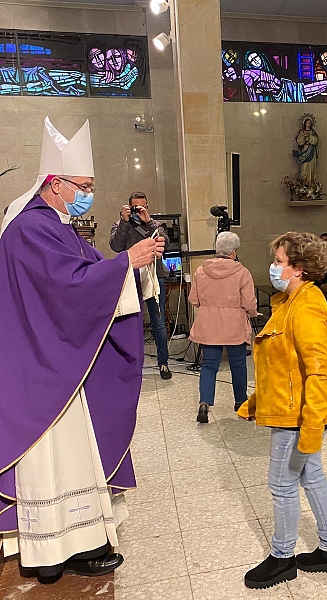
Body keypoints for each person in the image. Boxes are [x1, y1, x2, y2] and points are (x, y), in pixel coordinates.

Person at [0, 117, 164, 583]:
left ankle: (69, 546)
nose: (89, 193)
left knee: (67, 456)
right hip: (46, 366)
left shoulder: (54, 225)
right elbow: (65, 288)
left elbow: (86, 270)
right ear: (55, 183)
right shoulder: (33, 227)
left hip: (54, 361)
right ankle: (56, 550)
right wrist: (124, 264)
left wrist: (129, 266)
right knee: (55, 456)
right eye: (84, 186)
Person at [238, 232, 327, 589]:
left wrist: (311, 426)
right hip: (291, 406)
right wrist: (257, 402)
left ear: (299, 269)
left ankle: (282, 558)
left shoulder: (308, 307)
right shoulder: (291, 301)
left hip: (299, 415)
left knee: (282, 484)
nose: (273, 267)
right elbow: (284, 365)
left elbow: (318, 370)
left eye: (280, 262)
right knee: (311, 477)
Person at [188, 232, 257, 423]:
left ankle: (204, 403)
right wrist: (252, 314)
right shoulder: (242, 273)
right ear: (234, 252)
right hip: (234, 324)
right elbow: (249, 303)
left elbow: (193, 299)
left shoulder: (201, 271)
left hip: (209, 324)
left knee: (209, 366)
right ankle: (240, 402)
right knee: (238, 365)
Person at [110, 191, 172, 380]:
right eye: (135, 206)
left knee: (158, 321)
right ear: (128, 206)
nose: (138, 210)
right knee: (131, 321)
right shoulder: (121, 224)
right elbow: (116, 246)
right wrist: (124, 221)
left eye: (141, 206)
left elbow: (165, 242)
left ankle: (163, 363)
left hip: (154, 275)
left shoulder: (155, 224)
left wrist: (148, 221)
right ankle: (132, 365)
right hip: (131, 275)